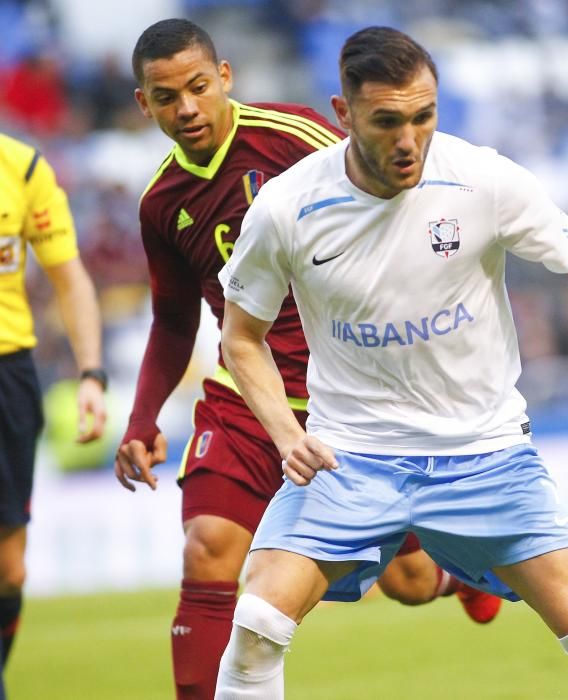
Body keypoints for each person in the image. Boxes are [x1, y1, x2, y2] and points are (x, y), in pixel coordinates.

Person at [215, 25, 568, 700]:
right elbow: (241, 337)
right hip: (350, 457)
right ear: (343, 114)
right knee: (254, 629)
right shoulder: (288, 208)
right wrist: (285, 433)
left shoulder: (481, 178)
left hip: (484, 452)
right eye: (387, 121)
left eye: (423, 117)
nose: (409, 140)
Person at [114, 19, 500, 700]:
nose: (189, 110)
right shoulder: (160, 203)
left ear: (224, 76)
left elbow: (401, 193)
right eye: (168, 98)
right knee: (207, 549)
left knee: (407, 583)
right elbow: (174, 320)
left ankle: (455, 576)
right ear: (144, 104)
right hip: (245, 397)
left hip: (350, 401)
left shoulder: (296, 139)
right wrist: (142, 416)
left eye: (199, 88)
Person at [0, 132, 107, 700]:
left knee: (9, 570)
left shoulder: (21, 167)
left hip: (7, 377)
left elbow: (70, 278)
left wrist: (91, 373)